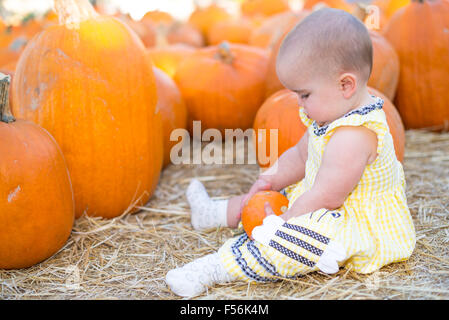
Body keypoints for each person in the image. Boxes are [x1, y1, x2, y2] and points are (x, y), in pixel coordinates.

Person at [165, 8, 416, 298]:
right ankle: (214, 213)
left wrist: (284, 223)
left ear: (345, 85)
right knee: (270, 198)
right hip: (322, 201)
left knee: (287, 242)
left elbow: (328, 196)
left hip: (354, 223)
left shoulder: (354, 136)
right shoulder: (331, 115)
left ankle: (215, 268)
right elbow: (300, 156)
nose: (298, 103)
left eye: (305, 94)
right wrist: (270, 179)